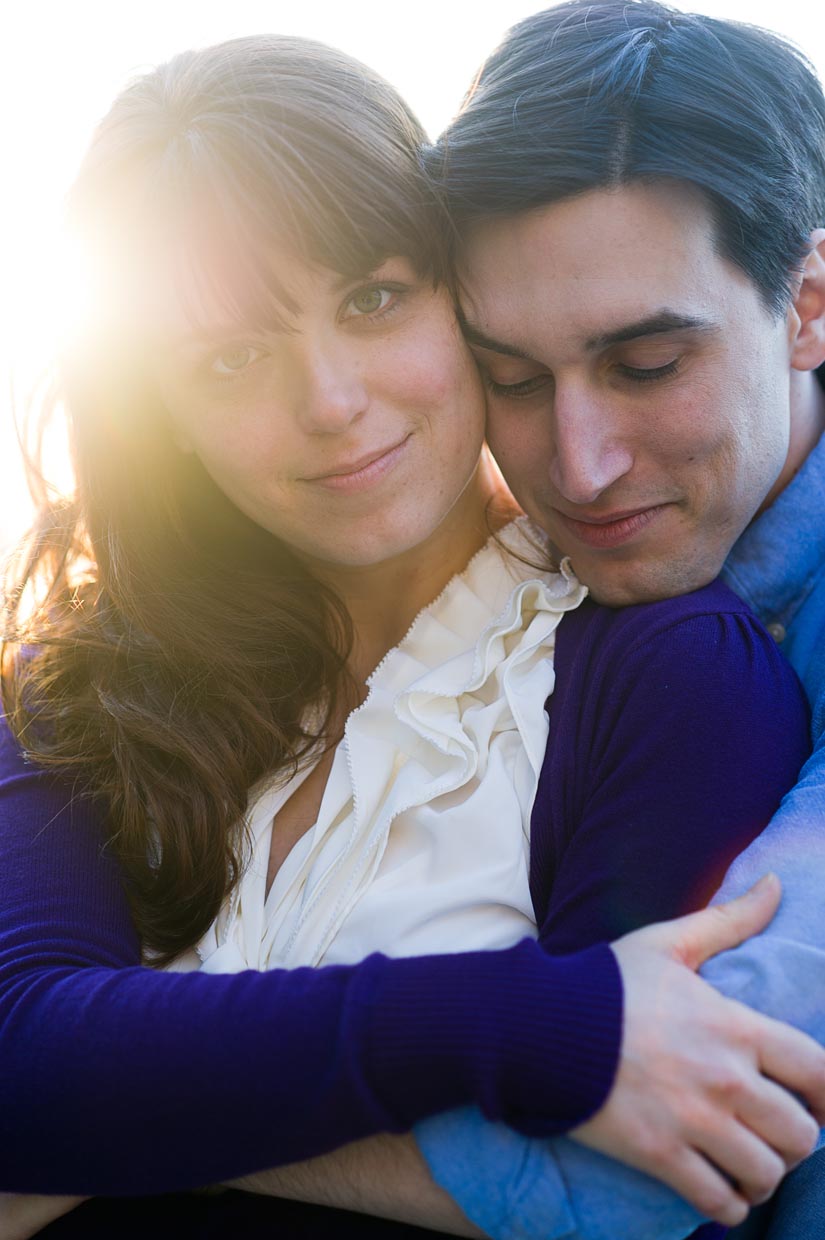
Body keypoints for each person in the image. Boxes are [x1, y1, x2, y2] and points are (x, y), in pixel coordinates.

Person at [0, 27, 821, 1240]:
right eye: (229, 359)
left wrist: (143, 1088)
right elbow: (23, 1062)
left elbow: (654, 1195)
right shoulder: (82, 681)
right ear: (161, 414)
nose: (331, 403)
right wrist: (528, 1022)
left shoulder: (669, 670)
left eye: (374, 298)